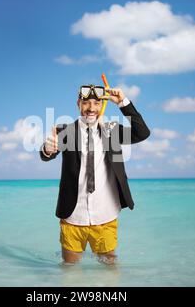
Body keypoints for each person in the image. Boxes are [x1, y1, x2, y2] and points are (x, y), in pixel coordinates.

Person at [40, 84, 150, 265]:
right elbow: (46, 155)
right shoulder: (64, 131)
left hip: (105, 215)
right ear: (78, 104)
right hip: (73, 216)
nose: (91, 108)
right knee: (69, 272)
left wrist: (122, 102)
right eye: (86, 103)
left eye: (96, 103)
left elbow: (142, 133)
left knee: (110, 273)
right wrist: (47, 149)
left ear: (102, 105)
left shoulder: (112, 130)